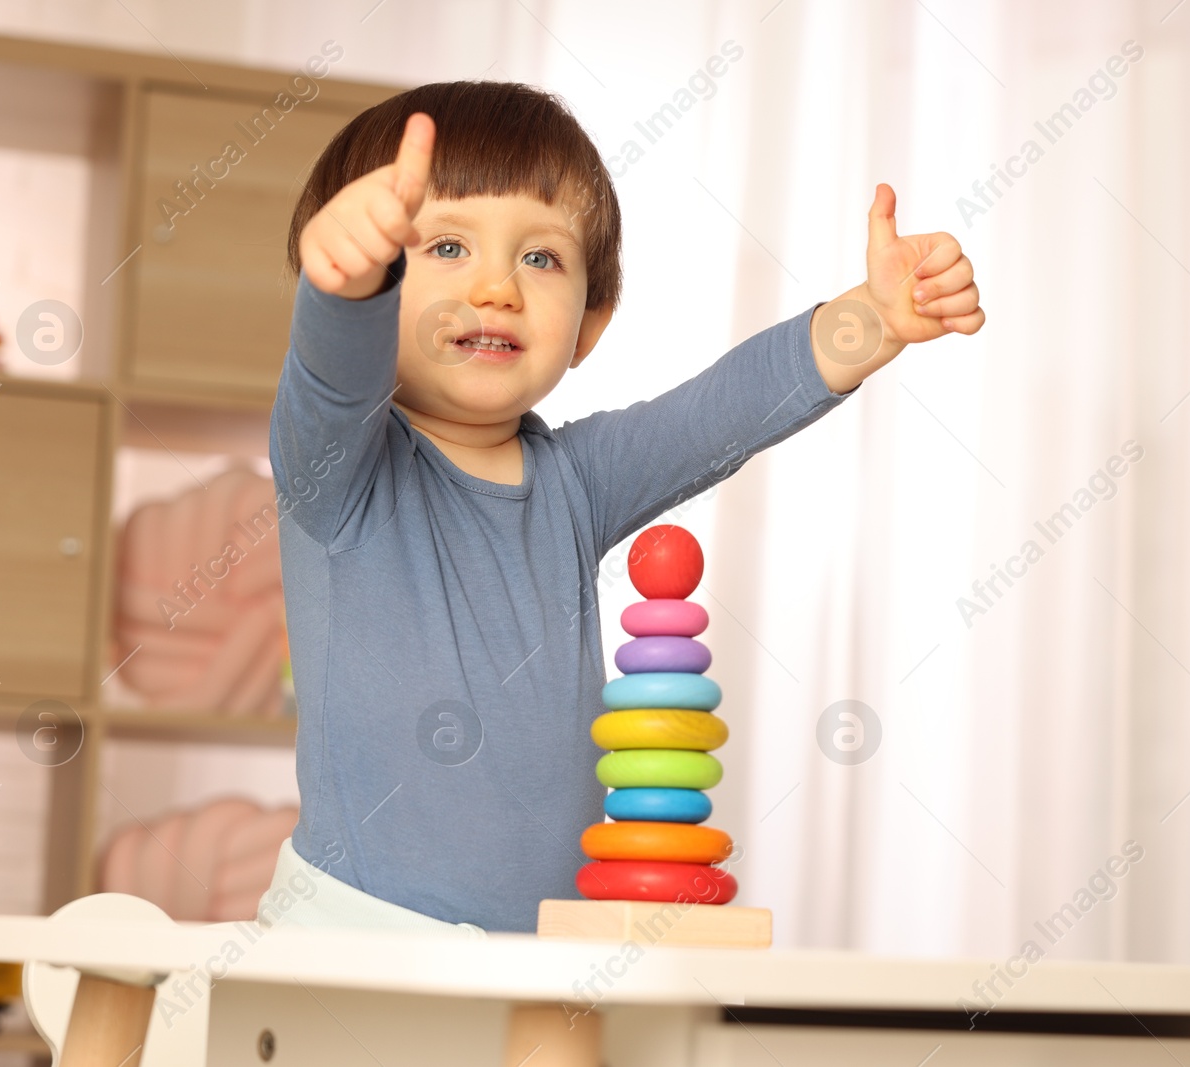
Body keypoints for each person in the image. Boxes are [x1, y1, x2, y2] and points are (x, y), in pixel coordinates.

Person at [256, 80, 982, 935]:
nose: (496, 286)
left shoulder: (573, 481)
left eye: (541, 258)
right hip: (351, 940)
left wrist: (875, 318)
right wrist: (343, 289)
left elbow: (717, 411)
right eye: (445, 246)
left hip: (542, 948)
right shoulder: (337, 471)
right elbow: (331, 377)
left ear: (590, 324)